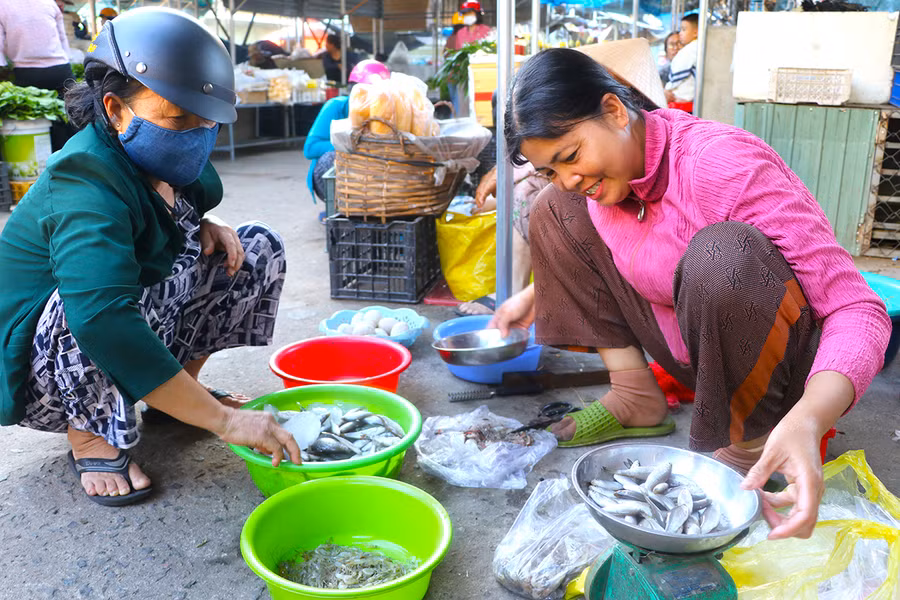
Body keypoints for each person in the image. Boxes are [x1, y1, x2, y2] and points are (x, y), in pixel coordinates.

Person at [493, 48, 891, 540]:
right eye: (551, 169)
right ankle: (635, 397)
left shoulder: (719, 164)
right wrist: (533, 294)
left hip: (782, 369)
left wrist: (811, 416)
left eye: (571, 156)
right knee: (555, 211)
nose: (570, 178)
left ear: (615, 111)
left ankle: (754, 442)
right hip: (694, 350)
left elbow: (857, 308)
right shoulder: (594, 186)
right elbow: (637, 245)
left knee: (723, 255)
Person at [0, 8, 301, 507]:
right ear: (116, 110)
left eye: (207, 122)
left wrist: (202, 224)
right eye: (177, 118)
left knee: (254, 247)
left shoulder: (169, 164)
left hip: (105, 330)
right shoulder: (82, 181)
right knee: (93, 307)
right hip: (41, 368)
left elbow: (180, 211)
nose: (196, 135)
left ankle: (182, 399)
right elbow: (100, 318)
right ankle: (90, 431)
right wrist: (226, 423)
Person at [303, 59, 390, 222]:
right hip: (330, 176)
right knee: (335, 158)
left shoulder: (385, 113)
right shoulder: (335, 106)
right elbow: (310, 148)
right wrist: (349, 145)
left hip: (368, 182)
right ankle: (337, 206)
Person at [0, 0, 76, 151]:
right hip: (60, 69)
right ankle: (73, 159)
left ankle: (48, 162)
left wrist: (3, 70)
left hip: (26, 73)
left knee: (35, 123)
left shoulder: (3, 5)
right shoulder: (48, 3)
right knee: (73, 118)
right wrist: (67, 59)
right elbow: (62, 39)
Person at [664, 13, 698, 112]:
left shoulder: (690, 50)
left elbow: (677, 74)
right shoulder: (695, 48)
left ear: (695, 32)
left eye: (683, 30)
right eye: (671, 45)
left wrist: (668, 88)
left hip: (683, 101)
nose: (680, 33)